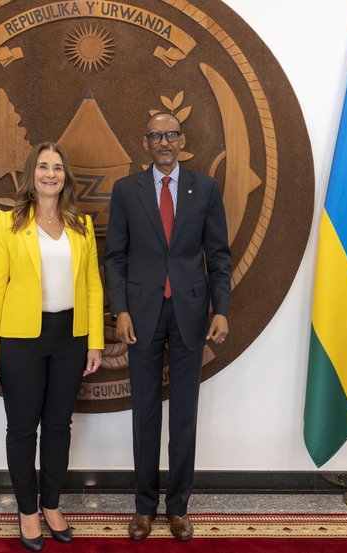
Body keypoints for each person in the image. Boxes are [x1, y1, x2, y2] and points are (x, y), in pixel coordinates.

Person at [104, 113, 231, 541]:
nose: (164, 141)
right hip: (140, 316)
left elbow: (219, 255)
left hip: (191, 314)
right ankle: (144, 507)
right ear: (145, 143)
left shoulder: (206, 189)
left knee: (184, 413)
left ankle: (178, 507)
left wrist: (221, 309)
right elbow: (115, 256)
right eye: (156, 135)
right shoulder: (126, 190)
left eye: (171, 134)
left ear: (182, 139)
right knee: (144, 411)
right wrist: (120, 310)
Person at [0, 142, 104, 551]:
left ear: (66, 176)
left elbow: (92, 285)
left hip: (70, 338)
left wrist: (95, 341)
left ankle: (51, 505)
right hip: (20, 341)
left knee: (58, 426)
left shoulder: (81, 224)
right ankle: (27, 511)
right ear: (31, 174)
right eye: (43, 166)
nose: (51, 174)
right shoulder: (8, 223)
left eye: (58, 168)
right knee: (22, 428)